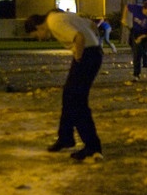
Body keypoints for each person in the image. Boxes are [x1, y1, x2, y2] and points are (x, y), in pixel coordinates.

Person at [25, 10, 103, 161]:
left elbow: (79, 37)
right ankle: (65, 137)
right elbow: (93, 25)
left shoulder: (54, 23)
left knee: (77, 102)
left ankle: (92, 146)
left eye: (36, 36)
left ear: (38, 27)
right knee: (68, 96)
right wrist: (94, 44)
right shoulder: (61, 17)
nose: (39, 39)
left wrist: (79, 57)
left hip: (87, 55)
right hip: (92, 53)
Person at [121, 1, 147, 80]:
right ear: (143, 8)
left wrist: (141, 38)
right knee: (137, 54)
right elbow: (127, 6)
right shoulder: (137, 9)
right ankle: (136, 74)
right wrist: (124, 18)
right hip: (136, 32)